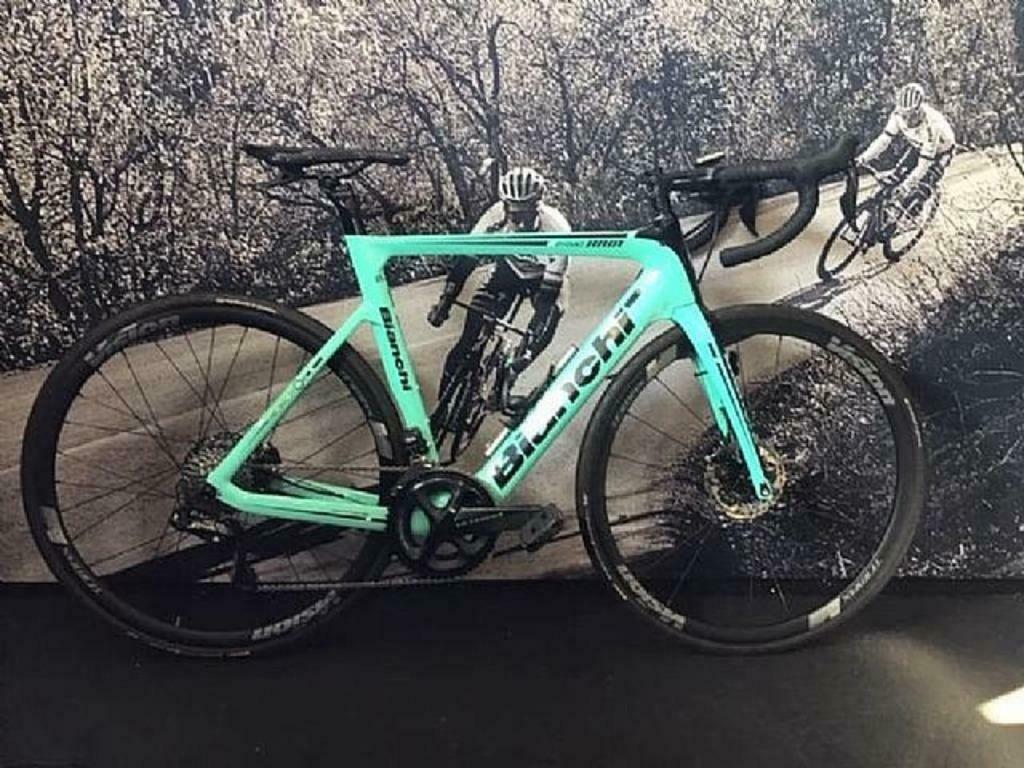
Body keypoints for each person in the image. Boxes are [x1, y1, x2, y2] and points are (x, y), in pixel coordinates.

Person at [428, 166, 571, 413]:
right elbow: (466, 261)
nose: (521, 223)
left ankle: (510, 377)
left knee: (547, 322)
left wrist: (530, 343)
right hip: (509, 269)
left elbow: (548, 296)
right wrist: (445, 301)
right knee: (468, 338)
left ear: (538, 206)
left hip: (543, 277)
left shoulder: (557, 228)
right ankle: (443, 406)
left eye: (527, 214)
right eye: (515, 215)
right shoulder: (493, 217)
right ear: (505, 208)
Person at [857, 82, 956, 226]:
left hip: (941, 152)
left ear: (919, 110)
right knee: (894, 178)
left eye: (912, 116)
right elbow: (883, 141)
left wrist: (906, 186)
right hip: (917, 146)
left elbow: (924, 165)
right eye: (904, 116)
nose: (908, 120)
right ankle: (881, 220)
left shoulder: (932, 124)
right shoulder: (897, 114)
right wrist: (863, 158)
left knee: (922, 186)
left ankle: (911, 215)